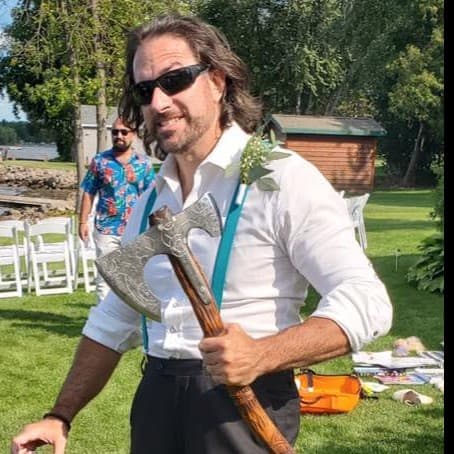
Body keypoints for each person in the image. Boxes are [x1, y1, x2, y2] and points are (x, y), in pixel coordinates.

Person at [11, 14, 392, 454]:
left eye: (174, 80)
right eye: (144, 90)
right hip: (157, 398)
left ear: (217, 80)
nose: (159, 101)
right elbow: (114, 317)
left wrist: (262, 355)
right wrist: (60, 414)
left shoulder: (282, 179)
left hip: (246, 404)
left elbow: (367, 301)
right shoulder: (151, 199)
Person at [78, 117, 155, 302]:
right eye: (115, 132)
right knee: (106, 279)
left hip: (135, 229)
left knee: (134, 277)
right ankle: (104, 319)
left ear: (133, 135)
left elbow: (152, 196)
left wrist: (152, 224)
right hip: (106, 229)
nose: (119, 136)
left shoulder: (144, 164)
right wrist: (82, 221)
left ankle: (132, 320)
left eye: (124, 132)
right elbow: (88, 192)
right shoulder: (100, 161)